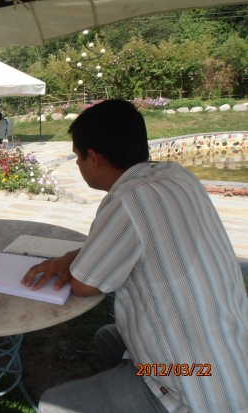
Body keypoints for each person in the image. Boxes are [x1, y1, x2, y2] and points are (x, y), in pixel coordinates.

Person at [21, 100, 248, 413]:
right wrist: (71, 256)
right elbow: (126, 244)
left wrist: (70, 264)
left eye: (77, 157)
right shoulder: (178, 176)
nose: (77, 164)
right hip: (234, 351)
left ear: (94, 158)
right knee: (107, 339)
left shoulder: (127, 200)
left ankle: (154, 392)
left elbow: (85, 284)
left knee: (51, 405)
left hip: (197, 387)